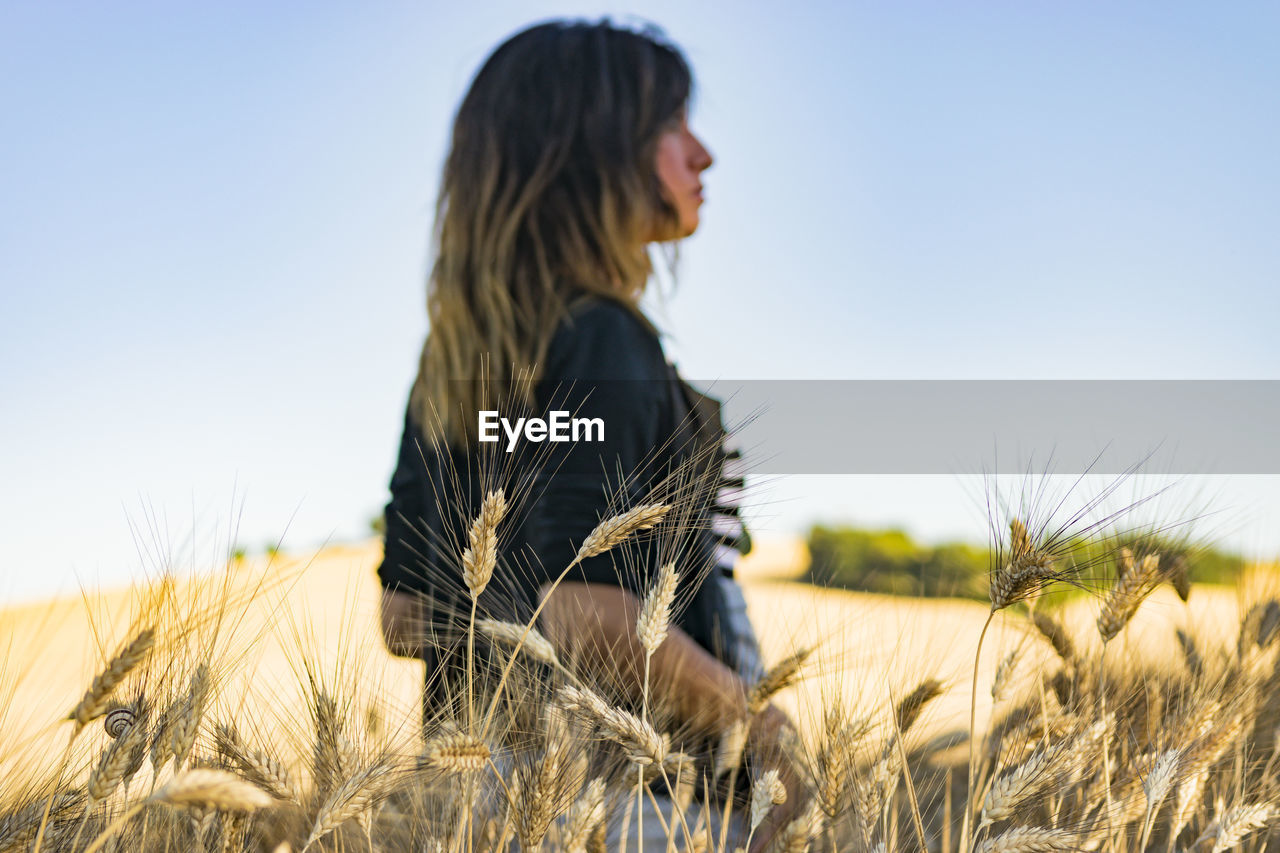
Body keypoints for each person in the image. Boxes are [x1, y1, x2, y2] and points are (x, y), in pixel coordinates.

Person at [375, 18, 802, 849]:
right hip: (643, 798)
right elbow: (585, 611)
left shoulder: (455, 361)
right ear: (597, 150)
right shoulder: (605, 338)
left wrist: (521, 607)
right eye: (672, 125)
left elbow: (404, 614)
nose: (702, 154)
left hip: (480, 795)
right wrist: (757, 721)